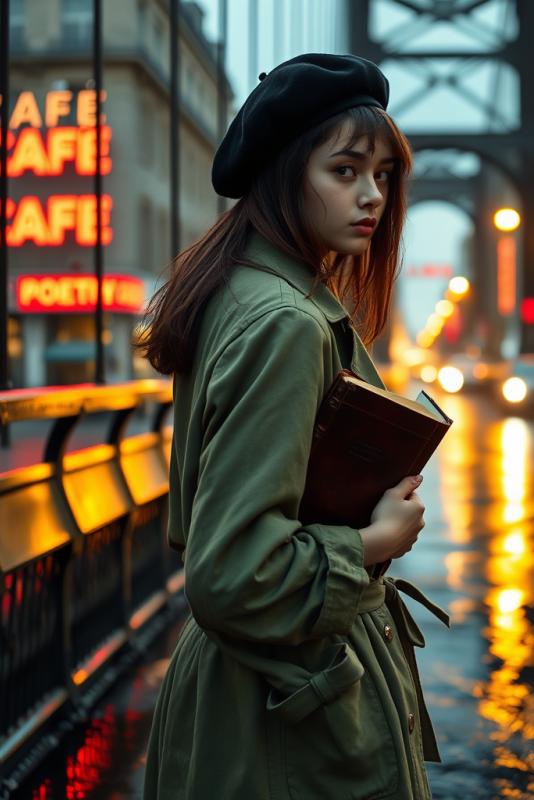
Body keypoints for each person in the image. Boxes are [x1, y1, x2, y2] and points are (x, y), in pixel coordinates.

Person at [140, 53, 449, 800]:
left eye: (382, 175)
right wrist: (375, 542)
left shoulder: (240, 288)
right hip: (284, 710)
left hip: (252, 691)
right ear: (285, 174)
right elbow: (231, 574)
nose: (372, 195)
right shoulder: (286, 323)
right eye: (344, 171)